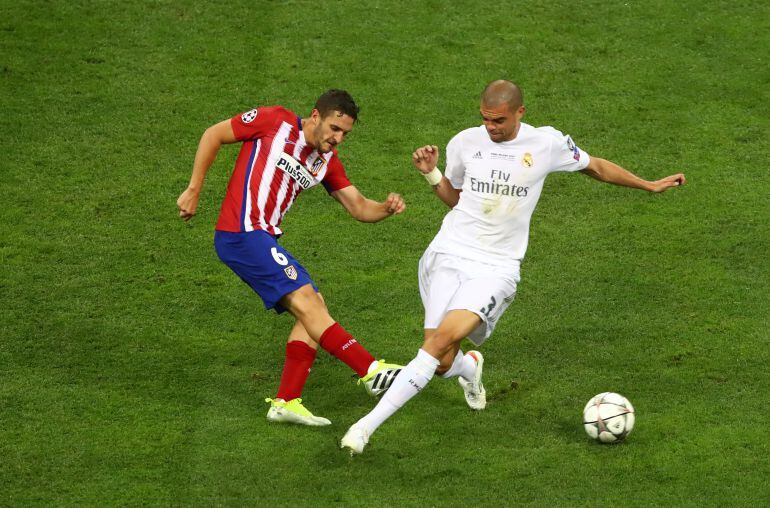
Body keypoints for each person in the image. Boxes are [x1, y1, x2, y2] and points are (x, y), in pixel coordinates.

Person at [341, 79, 686, 453]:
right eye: (486, 119)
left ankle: (363, 428)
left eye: (499, 121)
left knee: (440, 341)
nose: (491, 127)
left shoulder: (547, 143)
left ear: (520, 112)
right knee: (439, 360)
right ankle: (469, 368)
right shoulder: (465, 142)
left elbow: (596, 166)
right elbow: (456, 200)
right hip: (448, 252)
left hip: (496, 266)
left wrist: (648, 185)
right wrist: (431, 173)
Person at [177, 89, 404, 427]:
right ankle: (371, 371)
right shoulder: (274, 121)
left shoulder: (326, 161)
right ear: (315, 116)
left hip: (262, 237)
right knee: (308, 300)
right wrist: (194, 188)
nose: (338, 138)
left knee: (314, 307)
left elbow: (358, 207)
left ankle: (286, 401)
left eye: (345, 134)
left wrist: (385, 209)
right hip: (242, 233)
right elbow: (214, 134)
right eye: (334, 128)